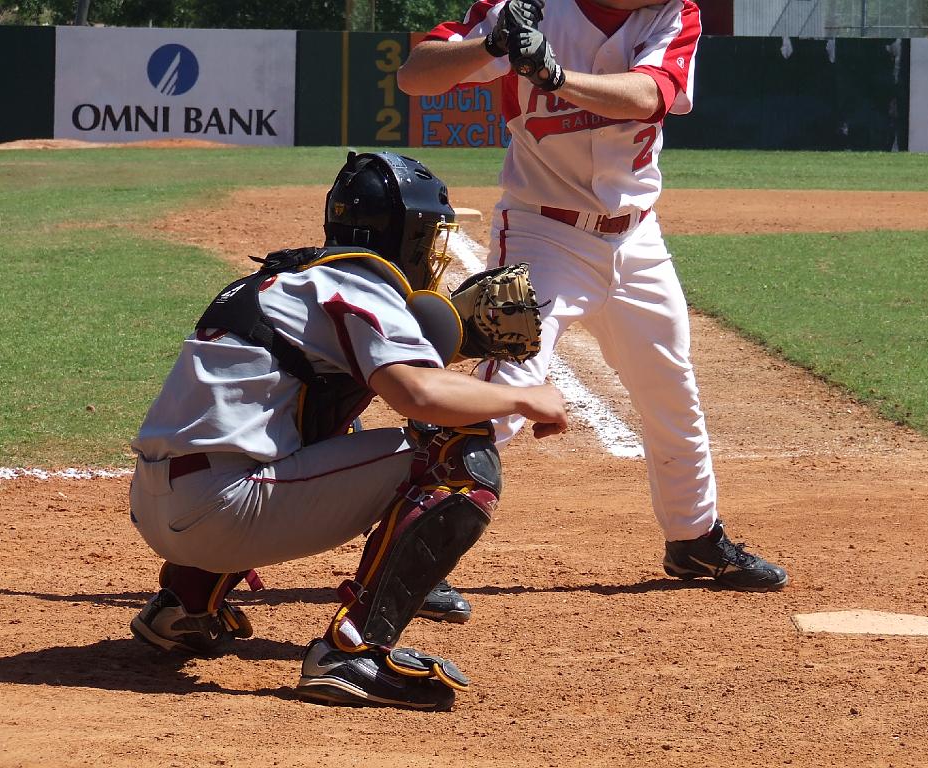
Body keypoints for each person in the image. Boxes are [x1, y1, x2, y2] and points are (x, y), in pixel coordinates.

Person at [128, 151, 567, 711]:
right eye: (430, 234)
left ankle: (184, 605)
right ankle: (352, 652)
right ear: (406, 232)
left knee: (324, 422)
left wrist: (445, 342)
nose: (433, 250)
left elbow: (329, 387)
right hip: (224, 511)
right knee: (456, 450)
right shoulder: (360, 287)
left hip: (156, 501)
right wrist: (527, 396)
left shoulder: (278, 282)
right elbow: (419, 396)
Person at [397, 0, 788, 595]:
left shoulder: (674, 13)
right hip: (541, 233)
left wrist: (555, 76)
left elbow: (649, 93)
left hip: (636, 237)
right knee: (504, 392)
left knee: (671, 389)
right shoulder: (527, 8)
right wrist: (491, 47)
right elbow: (415, 74)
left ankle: (694, 537)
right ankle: (413, 554)